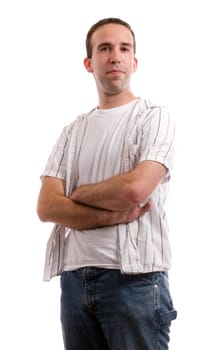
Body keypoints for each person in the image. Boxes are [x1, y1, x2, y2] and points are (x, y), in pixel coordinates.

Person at [37, 17, 177, 350]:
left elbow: (136, 189)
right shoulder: (73, 131)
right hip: (75, 280)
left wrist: (80, 195)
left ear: (134, 61)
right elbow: (47, 206)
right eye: (104, 48)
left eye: (123, 48)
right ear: (89, 63)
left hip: (135, 281)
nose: (115, 56)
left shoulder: (153, 117)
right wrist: (111, 215)